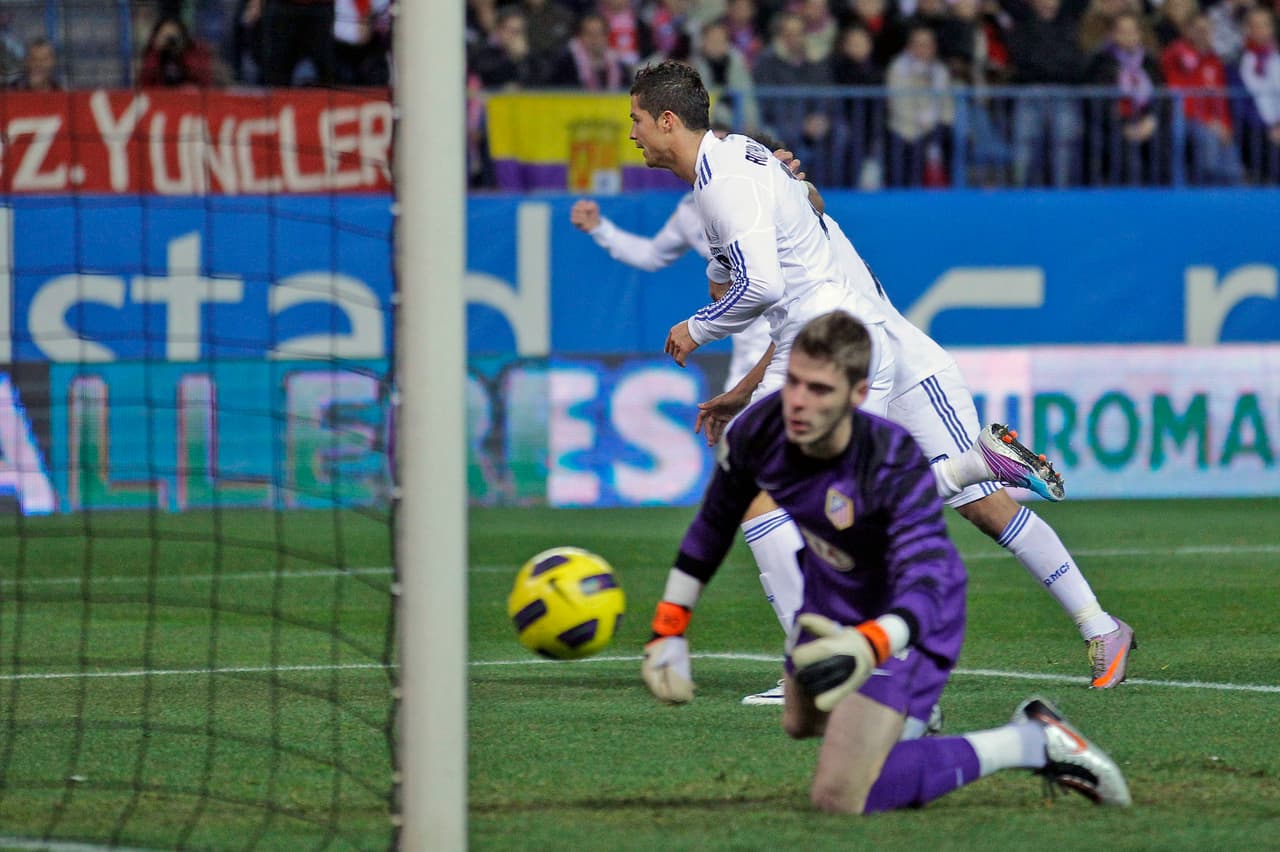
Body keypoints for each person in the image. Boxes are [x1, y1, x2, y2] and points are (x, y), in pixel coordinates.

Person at [628, 61, 1134, 700]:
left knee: (805, 497)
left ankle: (824, 660)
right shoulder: (743, 174)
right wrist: (743, 386)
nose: (632, 134)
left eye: (636, 120)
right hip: (842, 345)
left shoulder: (739, 185)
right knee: (869, 505)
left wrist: (701, 327)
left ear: (667, 120)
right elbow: (776, 284)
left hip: (884, 352)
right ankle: (1094, 622)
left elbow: (768, 286)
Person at [641, 311, 1133, 813]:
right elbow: (712, 525)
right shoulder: (762, 428)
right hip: (830, 603)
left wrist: (871, 643)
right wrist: (669, 629)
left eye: (820, 389)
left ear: (858, 396)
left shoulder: (891, 460)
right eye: (795, 382)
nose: (800, 402)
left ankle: (1032, 742)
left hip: (912, 619)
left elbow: (927, 586)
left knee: (844, 794)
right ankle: (904, 718)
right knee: (800, 720)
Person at [1161, 11, 1246, 185]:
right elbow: (1183, 95)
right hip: (1186, 117)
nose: (1204, 34)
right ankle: (1203, 193)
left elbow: (1220, 98)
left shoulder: (1215, 61)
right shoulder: (1177, 55)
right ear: (1188, 31)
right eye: (1199, 30)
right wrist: (1208, 121)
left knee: (1234, 168)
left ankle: (1234, 195)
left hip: (1213, 122)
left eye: (1207, 30)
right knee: (1210, 147)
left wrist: (1225, 125)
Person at [138, 16, 218, 87]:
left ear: (183, 36)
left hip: (186, 96)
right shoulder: (152, 55)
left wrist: (182, 53)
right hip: (159, 96)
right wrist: (156, 52)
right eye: (165, 36)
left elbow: (204, 80)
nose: (170, 41)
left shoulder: (193, 53)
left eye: (173, 36)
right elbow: (144, 82)